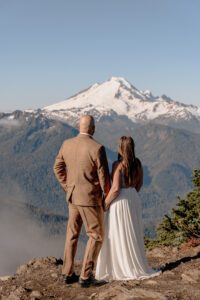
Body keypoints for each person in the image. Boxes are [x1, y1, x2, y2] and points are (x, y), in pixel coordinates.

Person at [53, 115, 111, 287]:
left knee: (72, 234)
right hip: (90, 198)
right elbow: (103, 177)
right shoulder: (97, 148)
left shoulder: (66, 144)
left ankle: (67, 272)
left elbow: (57, 167)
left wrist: (66, 185)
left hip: (72, 196)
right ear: (93, 128)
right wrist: (106, 196)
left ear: (79, 127)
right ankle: (86, 276)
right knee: (96, 235)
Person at [95, 136, 161, 281]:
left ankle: (120, 265)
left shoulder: (117, 165)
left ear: (120, 148)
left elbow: (116, 188)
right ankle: (134, 264)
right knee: (132, 231)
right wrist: (132, 193)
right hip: (133, 199)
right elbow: (140, 184)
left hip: (121, 201)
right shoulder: (138, 164)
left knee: (118, 232)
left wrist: (105, 203)